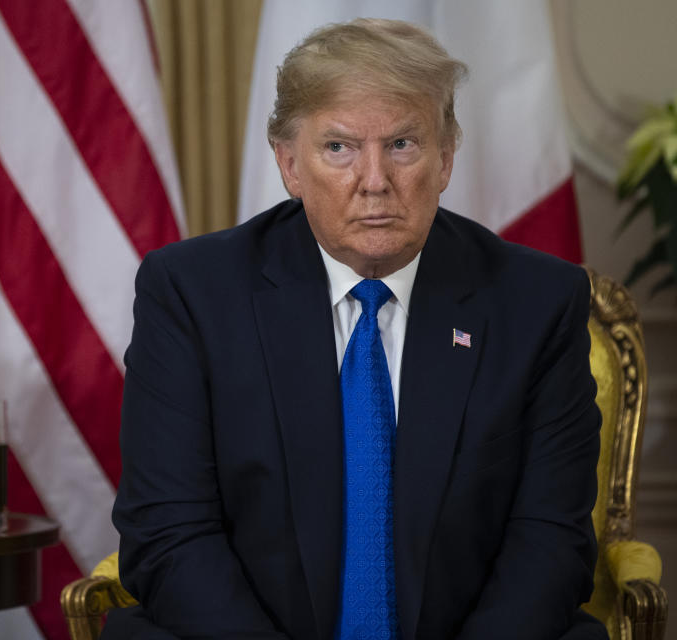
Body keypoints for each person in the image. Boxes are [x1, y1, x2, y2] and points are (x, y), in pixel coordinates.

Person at [106, 18, 606, 640]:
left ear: (447, 158)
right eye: (339, 148)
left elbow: (550, 540)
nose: (375, 181)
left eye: (403, 144)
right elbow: (169, 534)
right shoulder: (192, 293)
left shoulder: (536, 301)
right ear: (289, 164)